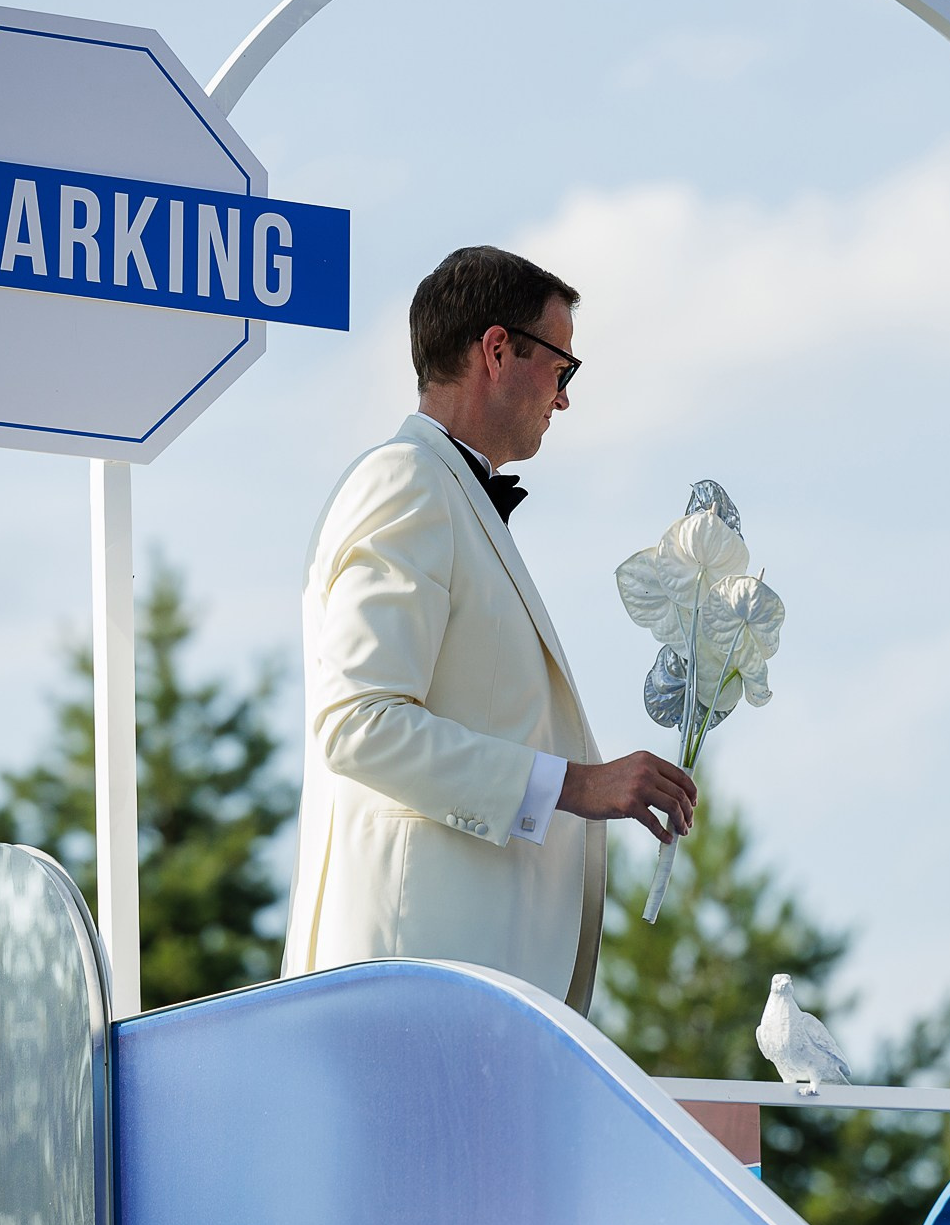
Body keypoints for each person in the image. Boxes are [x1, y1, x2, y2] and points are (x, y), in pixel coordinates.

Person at [280, 245, 697, 1014]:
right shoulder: (406, 481)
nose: (565, 399)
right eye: (562, 368)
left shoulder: (443, 491)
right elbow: (358, 723)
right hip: (410, 987)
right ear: (498, 350)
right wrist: (576, 784)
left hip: (460, 996)